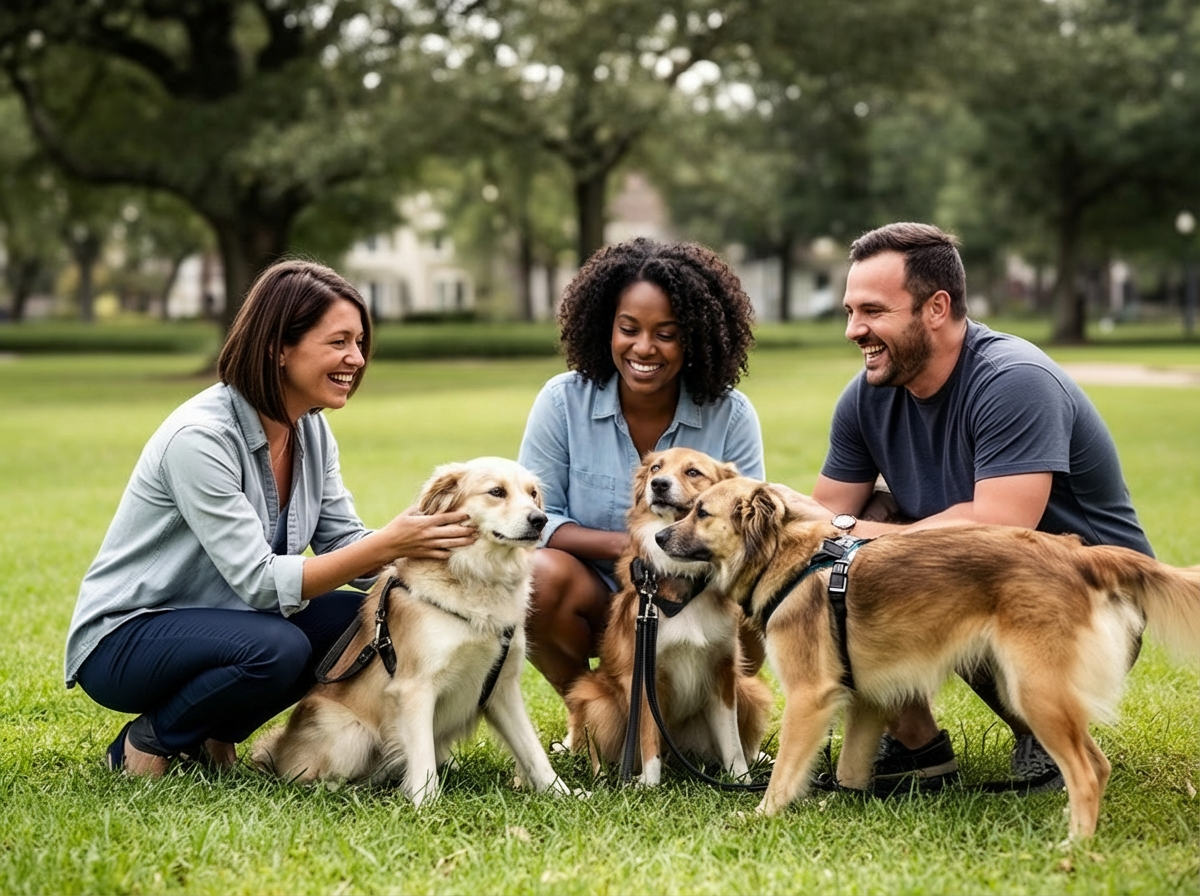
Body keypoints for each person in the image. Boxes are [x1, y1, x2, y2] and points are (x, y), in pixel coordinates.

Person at [64, 259, 476, 777]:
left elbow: (343, 541)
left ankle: (214, 729)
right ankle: (147, 741)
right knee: (277, 647)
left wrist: (442, 547)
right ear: (278, 347)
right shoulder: (200, 438)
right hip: (128, 638)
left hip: (226, 624)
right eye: (339, 342)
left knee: (367, 619)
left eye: (360, 342)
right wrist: (392, 543)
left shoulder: (311, 431)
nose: (357, 358)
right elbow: (260, 582)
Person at [786, 221, 1153, 795]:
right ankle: (913, 740)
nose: (855, 329)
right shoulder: (865, 397)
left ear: (936, 308)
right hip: (978, 587)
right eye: (850, 310)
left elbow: (1001, 527)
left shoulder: (1013, 380)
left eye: (873, 311)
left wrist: (855, 531)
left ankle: (1046, 729)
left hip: (1085, 604)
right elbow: (816, 535)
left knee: (875, 537)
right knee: (845, 560)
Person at [518, 237, 765, 703]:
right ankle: (591, 713)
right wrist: (639, 547)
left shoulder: (730, 414)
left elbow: (749, 525)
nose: (644, 348)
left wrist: (681, 558)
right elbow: (536, 517)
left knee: (755, 593)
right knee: (536, 575)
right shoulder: (562, 400)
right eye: (628, 328)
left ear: (694, 336)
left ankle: (705, 713)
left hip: (701, 591)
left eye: (666, 334)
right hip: (599, 594)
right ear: (605, 327)